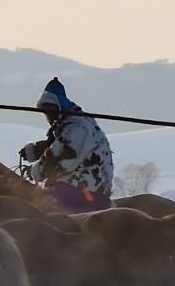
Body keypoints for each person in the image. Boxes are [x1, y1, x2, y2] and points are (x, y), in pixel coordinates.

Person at [20, 78, 114, 214]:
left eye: (50, 110)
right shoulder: (71, 125)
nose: (48, 115)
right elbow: (56, 146)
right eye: (45, 112)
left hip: (86, 192)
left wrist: (35, 170)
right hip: (81, 187)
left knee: (41, 210)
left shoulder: (77, 127)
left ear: (60, 106)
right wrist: (35, 150)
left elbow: (61, 159)